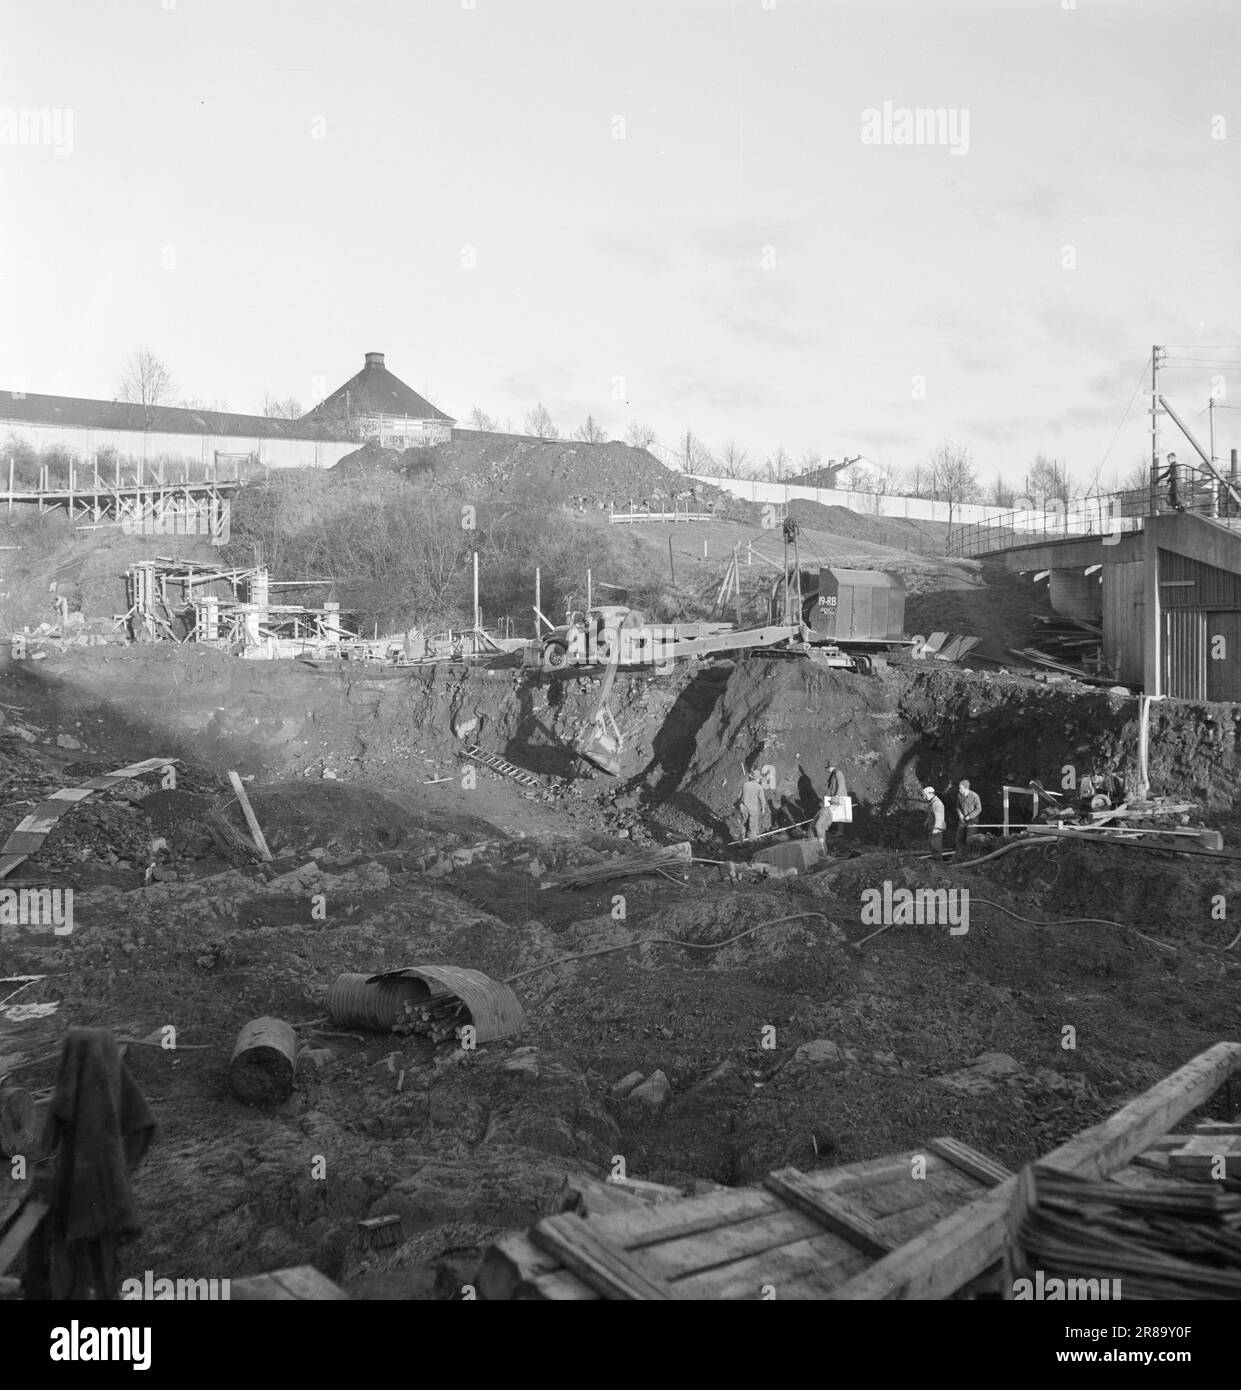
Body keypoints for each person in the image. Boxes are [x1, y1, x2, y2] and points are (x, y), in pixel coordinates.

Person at [738, 771, 767, 841]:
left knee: (743, 822)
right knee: (753, 825)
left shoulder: (745, 784)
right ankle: (751, 840)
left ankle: (741, 840)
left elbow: (739, 797)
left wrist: (740, 804)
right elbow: (762, 800)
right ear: (757, 779)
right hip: (753, 809)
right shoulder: (759, 787)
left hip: (744, 807)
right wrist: (763, 808)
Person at [956, 779, 981, 849]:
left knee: (970, 840)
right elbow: (957, 807)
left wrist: (970, 816)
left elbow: (979, 808)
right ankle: (959, 855)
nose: (959, 790)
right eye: (959, 788)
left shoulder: (974, 796)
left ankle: (969, 857)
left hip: (972, 821)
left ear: (966, 788)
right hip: (962, 821)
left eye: (961, 788)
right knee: (959, 839)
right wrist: (959, 814)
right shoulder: (959, 795)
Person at [923, 785, 946, 861]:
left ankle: (939, 864)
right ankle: (936, 863)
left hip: (936, 829)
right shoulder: (932, 803)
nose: (925, 797)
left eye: (926, 795)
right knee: (932, 846)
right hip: (932, 827)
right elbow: (931, 814)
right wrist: (927, 821)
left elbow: (939, 817)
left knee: (936, 847)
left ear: (931, 793)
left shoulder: (937, 803)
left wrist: (936, 828)